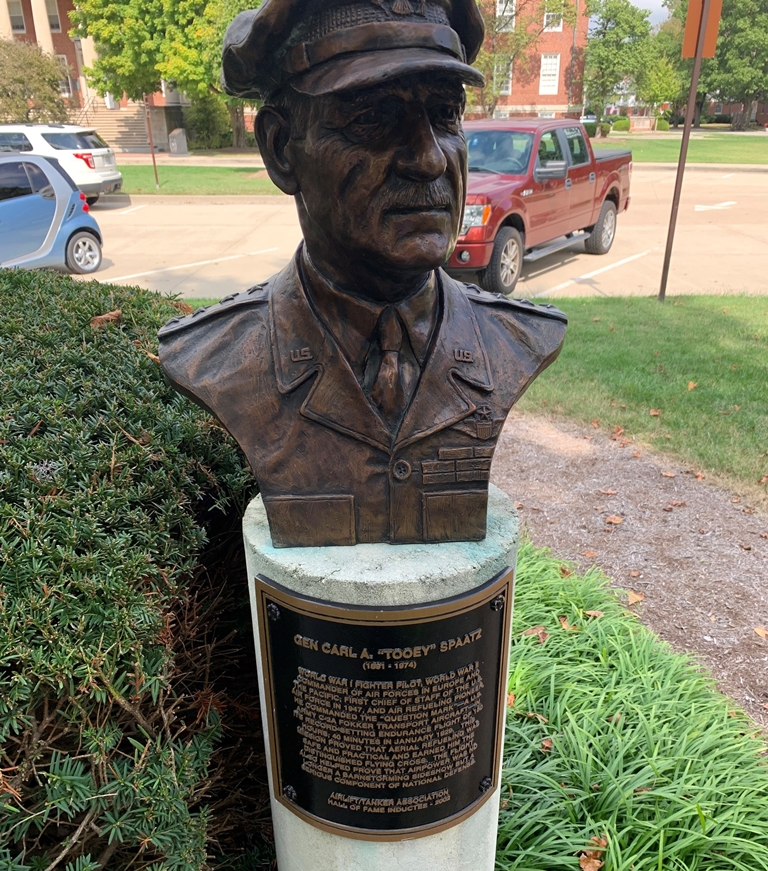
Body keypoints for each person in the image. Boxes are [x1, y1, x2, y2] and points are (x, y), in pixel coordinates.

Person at [158, 0, 567, 547]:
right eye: (373, 119)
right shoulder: (217, 358)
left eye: (445, 115)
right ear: (282, 150)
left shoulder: (518, 340)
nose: (428, 159)